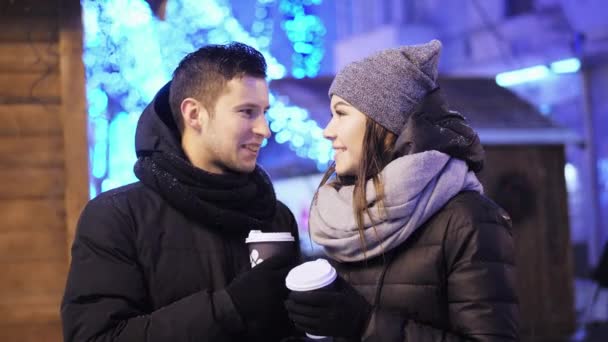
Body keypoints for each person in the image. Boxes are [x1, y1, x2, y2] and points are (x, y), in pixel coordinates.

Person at [61, 42, 301, 341]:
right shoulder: (117, 217)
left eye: (264, 112)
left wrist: (330, 320)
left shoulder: (275, 216)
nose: (264, 129)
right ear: (194, 114)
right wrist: (229, 308)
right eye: (247, 112)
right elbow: (97, 337)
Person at [285, 40, 520, 341]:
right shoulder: (345, 216)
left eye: (341, 113)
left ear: (385, 123)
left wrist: (364, 325)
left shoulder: (467, 218)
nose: (327, 130)